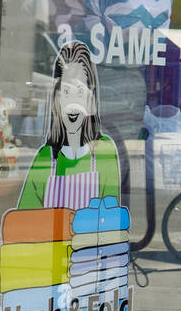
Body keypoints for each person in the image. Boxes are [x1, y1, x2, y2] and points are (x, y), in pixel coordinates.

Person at [17, 40, 121, 210]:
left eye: (80, 92)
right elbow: (24, 220)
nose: (73, 102)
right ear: (56, 101)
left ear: (91, 100)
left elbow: (109, 220)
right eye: (66, 92)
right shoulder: (45, 156)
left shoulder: (104, 152)